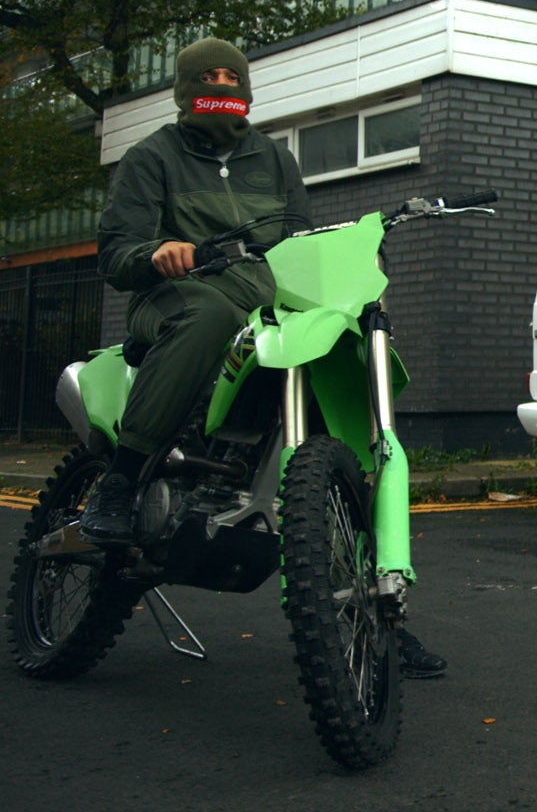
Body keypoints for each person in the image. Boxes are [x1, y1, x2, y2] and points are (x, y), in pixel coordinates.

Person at [84, 37, 445, 678]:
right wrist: (155, 253)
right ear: (186, 88)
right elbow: (115, 253)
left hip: (261, 304)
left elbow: (299, 240)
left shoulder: (274, 159)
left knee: (333, 339)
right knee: (207, 316)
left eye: (232, 76)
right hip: (174, 297)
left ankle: (377, 608)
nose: (222, 86)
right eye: (210, 77)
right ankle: (119, 481)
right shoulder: (151, 157)